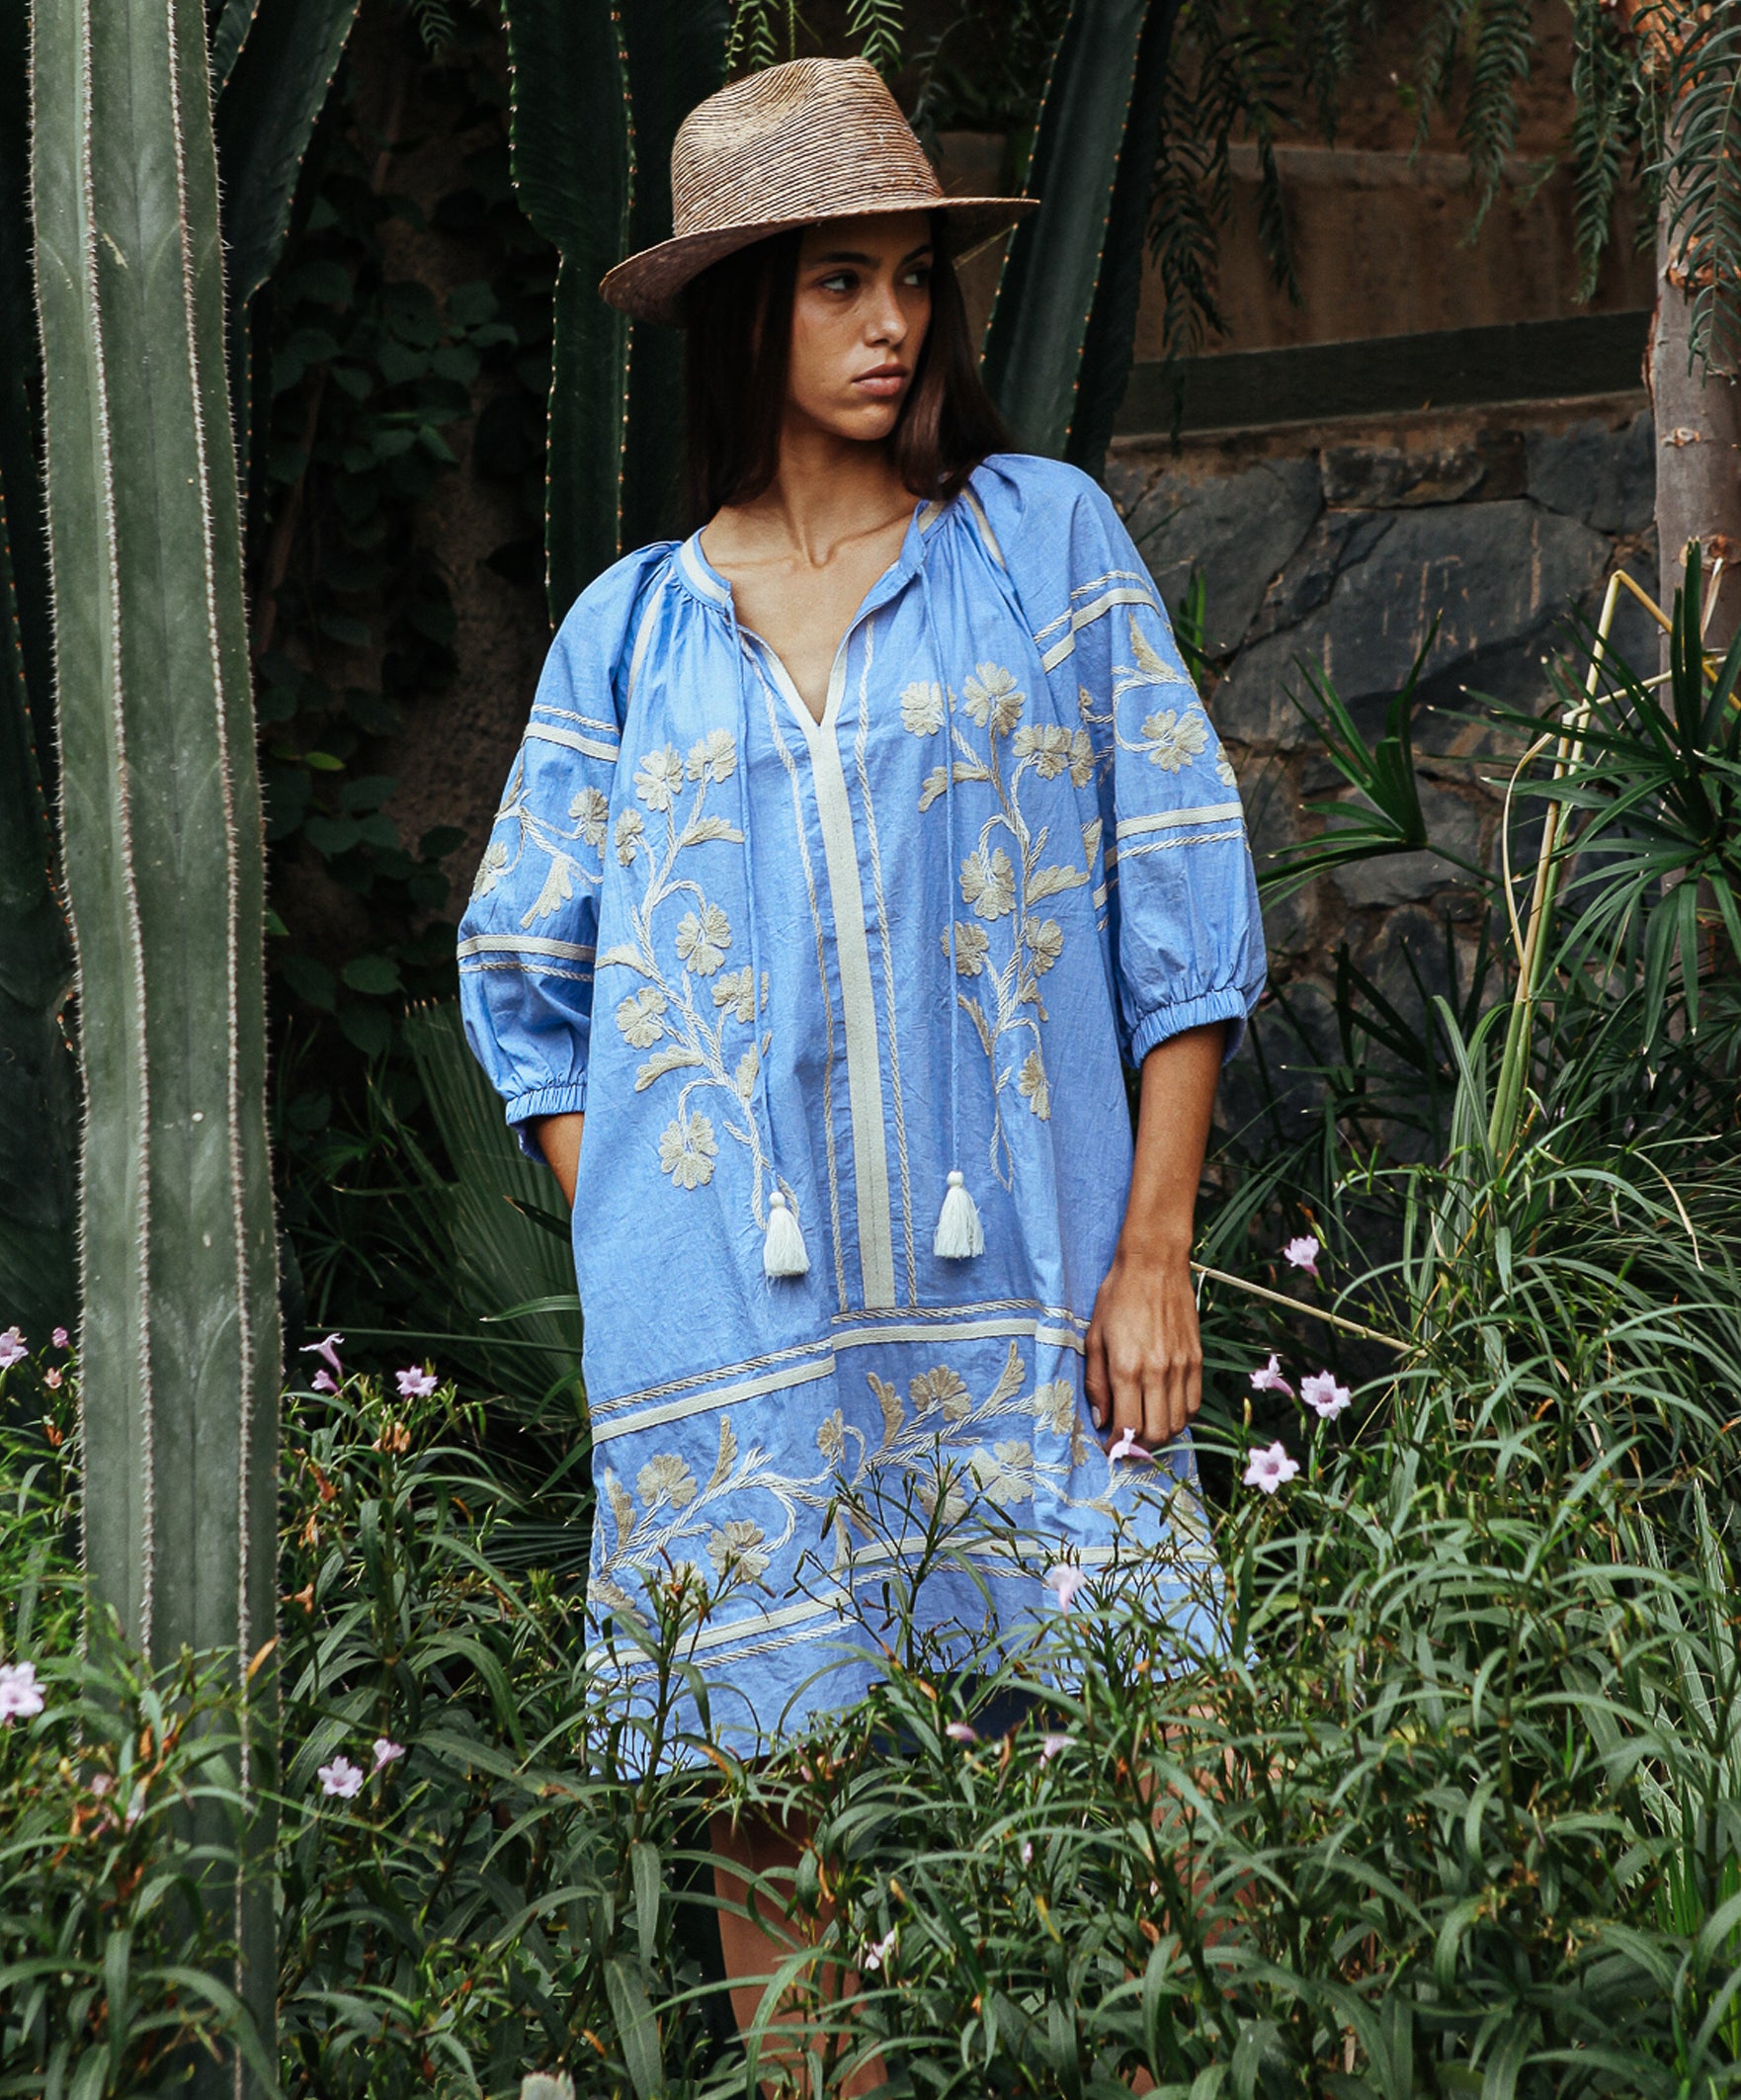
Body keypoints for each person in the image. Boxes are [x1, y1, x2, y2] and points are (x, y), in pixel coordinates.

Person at [457, 52, 1266, 2071]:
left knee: (1182, 1789)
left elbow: (1177, 895)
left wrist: (1150, 1250)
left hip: (1040, 1308)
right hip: (749, 1338)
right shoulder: (627, 636)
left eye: (910, 275)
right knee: (776, 1814)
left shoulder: (1037, 547)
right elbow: (521, 976)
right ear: (747, 308)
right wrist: (661, 1223)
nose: (893, 321)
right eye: (838, 279)